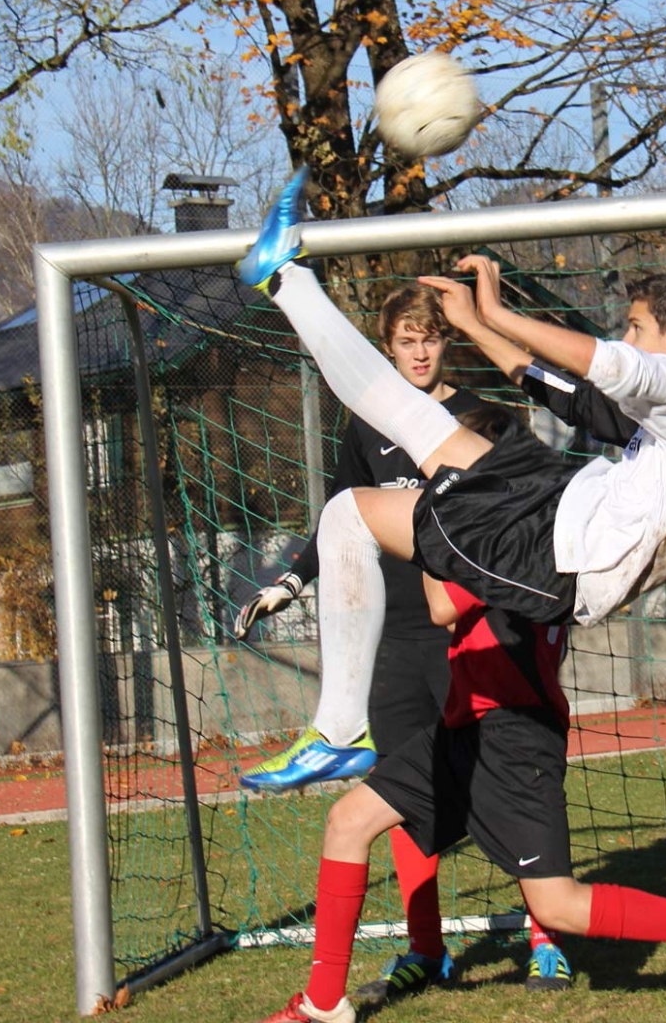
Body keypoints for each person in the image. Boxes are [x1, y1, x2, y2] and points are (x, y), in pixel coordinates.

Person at [235, 166, 666, 785]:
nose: (626, 337)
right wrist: (481, 328)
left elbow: (605, 365)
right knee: (404, 432)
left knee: (351, 510)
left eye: (636, 327)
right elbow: (580, 401)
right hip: (555, 510)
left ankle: (339, 730)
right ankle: (285, 276)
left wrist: (498, 312)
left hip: (555, 558)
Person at [254, 571, 666, 1023]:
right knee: (348, 820)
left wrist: (424, 521)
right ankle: (324, 1002)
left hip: (513, 735)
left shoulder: (506, 530)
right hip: (464, 727)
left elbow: (442, 603)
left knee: (557, 904)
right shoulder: (500, 511)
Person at [235, 303, 575, 991]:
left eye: (429, 340)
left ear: (445, 342)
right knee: (395, 783)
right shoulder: (367, 423)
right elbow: (340, 510)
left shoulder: (482, 418)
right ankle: (427, 950)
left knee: (515, 771)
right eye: (405, 342)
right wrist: (293, 583)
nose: (418, 355)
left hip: (478, 628)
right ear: (387, 348)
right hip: (395, 629)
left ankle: (548, 937)